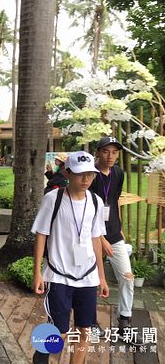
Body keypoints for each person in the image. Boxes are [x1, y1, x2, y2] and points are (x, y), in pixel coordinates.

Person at [32, 151, 109, 364]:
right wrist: (37, 272)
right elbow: (41, 234)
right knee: (60, 331)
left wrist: (101, 277)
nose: (86, 179)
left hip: (87, 276)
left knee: (84, 330)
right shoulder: (53, 199)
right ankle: (41, 355)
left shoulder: (96, 202)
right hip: (58, 275)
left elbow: (96, 239)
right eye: (80, 174)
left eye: (90, 174)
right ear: (67, 173)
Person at [89, 136, 142, 343]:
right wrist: (100, 239)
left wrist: (118, 227)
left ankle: (124, 321)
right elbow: (86, 209)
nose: (110, 156)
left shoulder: (118, 173)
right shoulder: (90, 174)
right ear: (98, 152)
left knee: (127, 277)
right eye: (105, 151)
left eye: (114, 152)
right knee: (92, 280)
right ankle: (90, 322)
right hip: (91, 236)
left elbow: (115, 199)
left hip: (113, 233)